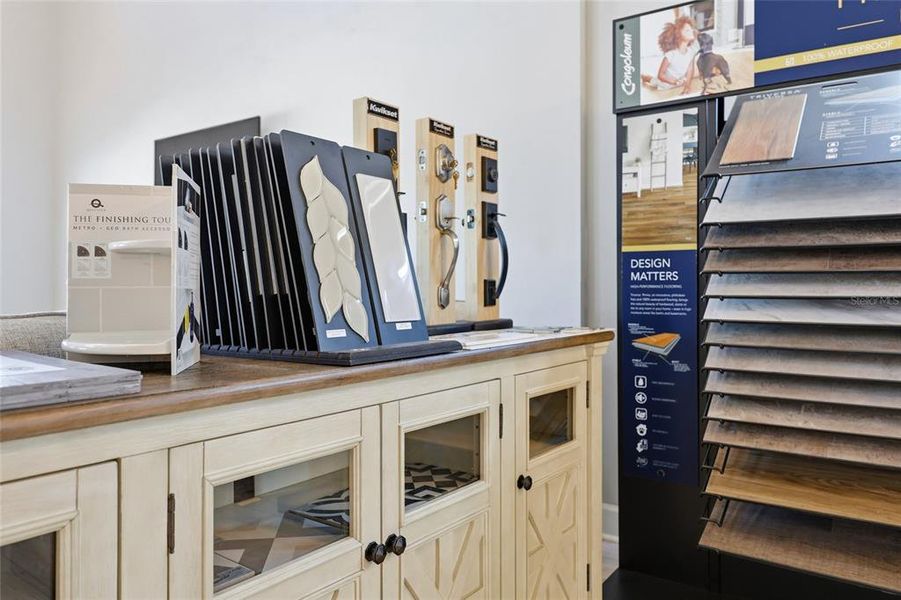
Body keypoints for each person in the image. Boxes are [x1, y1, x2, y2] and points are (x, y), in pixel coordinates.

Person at [641, 15, 699, 96]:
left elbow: (690, 71)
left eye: (691, 29)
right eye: (687, 30)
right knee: (654, 81)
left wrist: (687, 86)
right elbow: (660, 75)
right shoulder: (671, 54)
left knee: (655, 81)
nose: (691, 31)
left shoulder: (691, 52)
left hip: (679, 81)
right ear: (678, 35)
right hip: (665, 83)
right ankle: (643, 76)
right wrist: (674, 81)